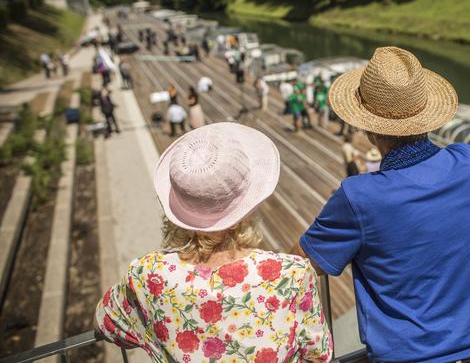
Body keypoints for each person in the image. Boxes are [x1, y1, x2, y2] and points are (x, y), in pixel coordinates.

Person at [293, 47, 470, 362]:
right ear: (426, 116)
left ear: (368, 129)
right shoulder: (469, 162)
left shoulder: (359, 196)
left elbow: (304, 264)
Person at [94, 123, 332, 362]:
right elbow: (318, 355)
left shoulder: (146, 275)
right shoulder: (292, 275)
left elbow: (104, 322)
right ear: (247, 206)